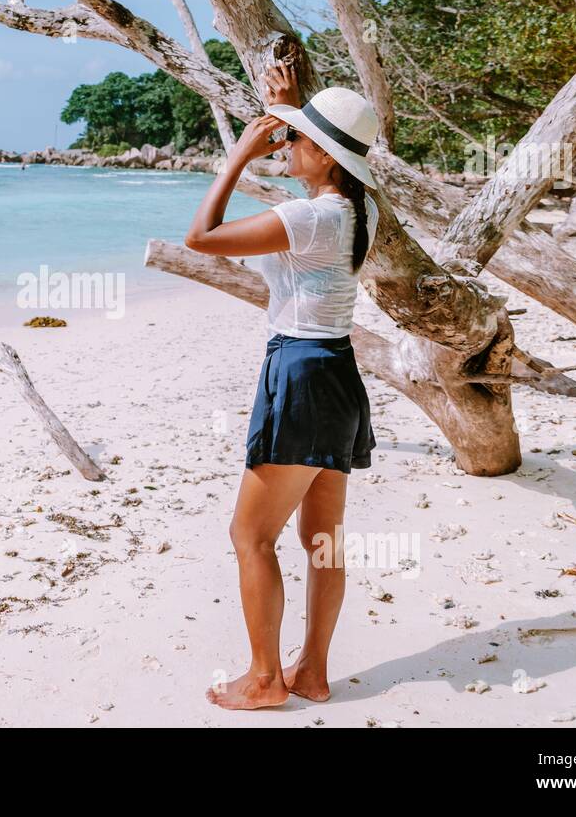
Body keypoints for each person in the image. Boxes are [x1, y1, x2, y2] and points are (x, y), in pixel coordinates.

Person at [184, 61, 380, 710]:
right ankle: (313, 672)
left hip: (297, 373)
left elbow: (202, 237)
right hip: (339, 374)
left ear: (324, 156)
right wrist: (294, 112)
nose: (284, 145)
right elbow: (308, 192)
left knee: (251, 537)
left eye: (296, 140)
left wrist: (238, 155)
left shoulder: (309, 218)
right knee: (322, 538)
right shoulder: (361, 208)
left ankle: (266, 679)